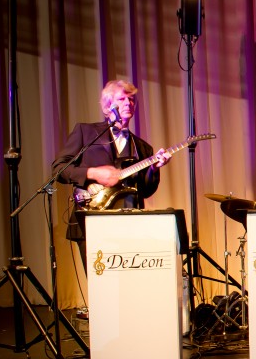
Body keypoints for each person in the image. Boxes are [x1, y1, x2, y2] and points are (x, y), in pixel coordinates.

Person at [53, 80, 171, 272]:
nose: (128, 103)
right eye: (122, 99)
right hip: (91, 218)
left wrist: (155, 169)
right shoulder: (86, 132)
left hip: (128, 225)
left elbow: (146, 191)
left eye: (131, 99)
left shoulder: (142, 147)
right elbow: (59, 169)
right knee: (99, 284)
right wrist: (93, 173)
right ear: (109, 105)